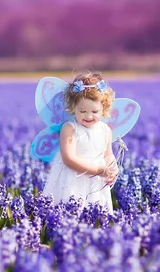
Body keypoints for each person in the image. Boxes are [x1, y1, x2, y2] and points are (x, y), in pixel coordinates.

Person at [43, 71, 119, 212]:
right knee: (71, 212)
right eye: (82, 111)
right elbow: (68, 159)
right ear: (73, 108)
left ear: (104, 108)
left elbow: (108, 155)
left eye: (95, 111)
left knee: (96, 213)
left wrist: (113, 169)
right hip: (73, 180)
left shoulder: (105, 130)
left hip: (96, 182)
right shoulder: (70, 128)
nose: (89, 116)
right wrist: (97, 170)